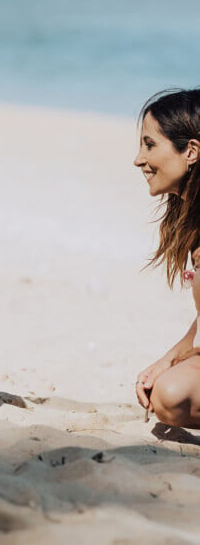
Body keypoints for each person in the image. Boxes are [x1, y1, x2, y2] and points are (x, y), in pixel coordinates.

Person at [134, 88, 200, 428]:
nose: (138, 159)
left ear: (190, 151)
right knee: (165, 391)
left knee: (172, 395)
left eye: (149, 145)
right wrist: (168, 359)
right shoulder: (191, 220)